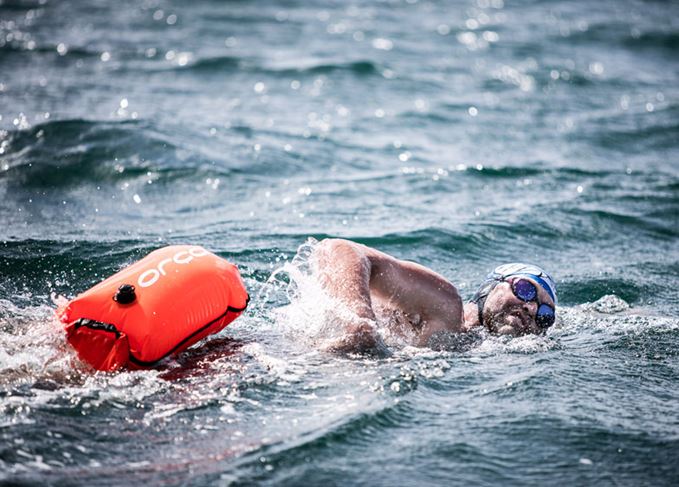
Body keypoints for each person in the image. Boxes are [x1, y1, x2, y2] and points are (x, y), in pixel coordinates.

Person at [312, 238, 557, 353]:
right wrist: (359, 322)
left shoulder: (476, 350)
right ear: (492, 286)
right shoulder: (445, 304)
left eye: (545, 315)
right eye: (526, 290)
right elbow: (342, 250)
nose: (532, 309)